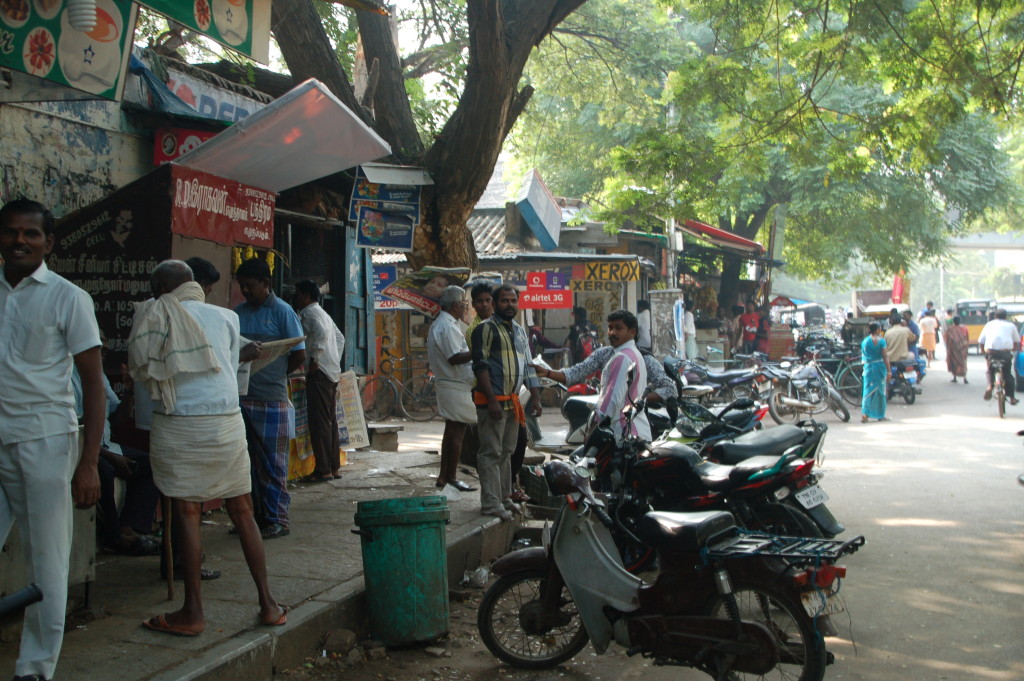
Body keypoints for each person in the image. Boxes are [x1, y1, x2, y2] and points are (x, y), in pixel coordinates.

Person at [130, 260, 286, 637]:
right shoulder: (227, 318)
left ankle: (193, 611)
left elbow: (142, 367)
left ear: (158, 289)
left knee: (186, 512)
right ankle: (268, 604)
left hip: (181, 422)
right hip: (226, 422)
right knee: (243, 509)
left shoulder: (153, 314)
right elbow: (228, 367)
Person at [0, 199, 104, 681]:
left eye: (31, 234)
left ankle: (35, 669)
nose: (20, 241)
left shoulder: (68, 297)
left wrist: (89, 463)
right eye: (12, 232)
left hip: (45, 438)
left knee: (48, 557)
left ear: (48, 243)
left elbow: (94, 384)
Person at [234, 258, 306, 540]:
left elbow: (298, 355)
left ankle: (278, 519)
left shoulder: (283, 312)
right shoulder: (237, 312)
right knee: (245, 463)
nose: (245, 291)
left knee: (274, 464)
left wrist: (275, 375)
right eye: (242, 286)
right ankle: (252, 518)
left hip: (271, 399)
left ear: (266, 284)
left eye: (250, 286)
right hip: (241, 397)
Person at [470, 285, 541, 521]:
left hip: (513, 403)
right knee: (491, 452)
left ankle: (503, 497)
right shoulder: (485, 329)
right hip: (493, 402)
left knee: (507, 452)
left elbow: (528, 366)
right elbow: (480, 366)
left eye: (513, 301)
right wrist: (491, 401)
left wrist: (536, 396)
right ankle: (490, 503)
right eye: (504, 301)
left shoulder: (520, 331)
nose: (509, 305)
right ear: (494, 303)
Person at [536, 310, 650, 444]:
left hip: (622, 432)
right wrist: (548, 373)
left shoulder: (622, 358)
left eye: (618, 328)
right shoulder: (629, 353)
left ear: (632, 332)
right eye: (610, 328)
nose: (612, 333)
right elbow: (577, 372)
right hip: (632, 430)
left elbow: (611, 401)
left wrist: (594, 428)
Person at [292, 280, 345, 483]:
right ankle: (333, 466)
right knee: (329, 420)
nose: (296, 299)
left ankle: (323, 469)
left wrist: (316, 359)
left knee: (319, 422)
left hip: (320, 373)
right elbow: (340, 339)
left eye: (297, 295)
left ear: (305, 296)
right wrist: (332, 359)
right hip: (330, 371)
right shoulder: (322, 313)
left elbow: (322, 336)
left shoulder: (310, 313)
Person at [426, 286, 477, 492]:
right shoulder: (445, 326)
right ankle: (451, 477)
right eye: (464, 303)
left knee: (452, 431)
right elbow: (454, 357)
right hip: (454, 383)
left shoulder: (445, 324)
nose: (466, 307)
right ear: (456, 305)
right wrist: (478, 351)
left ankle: (444, 476)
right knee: (457, 431)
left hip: (453, 382)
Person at [978, 308, 1020, 405]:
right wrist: (1012, 350)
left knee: (989, 370)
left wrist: (983, 353)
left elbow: (981, 341)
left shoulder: (989, 325)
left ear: (995, 316)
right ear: (1006, 317)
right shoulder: (1011, 326)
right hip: (1005, 353)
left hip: (991, 353)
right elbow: (1017, 342)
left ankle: (989, 386)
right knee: (1008, 374)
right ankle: (1012, 397)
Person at [860, 322, 890, 422]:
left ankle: (865, 413)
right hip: (879, 368)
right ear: (877, 329)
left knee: (867, 391)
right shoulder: (882, 341)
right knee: (880, 391)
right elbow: (885, 356)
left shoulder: (865, 341)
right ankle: (880, 415)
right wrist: (889, 371)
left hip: (868, 368)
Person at [944, 315, 969, 383]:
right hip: (963, 348)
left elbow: (946, 339)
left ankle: (955, 377)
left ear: (953, 321)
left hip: (953, 348)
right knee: (963, 363)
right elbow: (967, 338)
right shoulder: (965, 328)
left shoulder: (950, 329)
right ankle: (965, 378)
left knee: (954, 362)